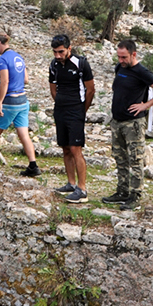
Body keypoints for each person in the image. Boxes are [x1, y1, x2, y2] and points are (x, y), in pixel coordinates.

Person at [101, 40, 153, 210]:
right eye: (119, 57)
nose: (121, 60)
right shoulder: (120, 68)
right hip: (117, 120)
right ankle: (121, 191)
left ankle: (135, 195)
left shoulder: (141, 71)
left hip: (133, 123)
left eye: (124, 57)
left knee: (135, 158)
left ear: (133, 54)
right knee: (119, 157)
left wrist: (145, 105)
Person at [49, 34, 95, 202]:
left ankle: (82, 189)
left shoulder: (81, 63)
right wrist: (60, 103)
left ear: (69, 48)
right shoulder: (54, 64)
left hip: (76, 110)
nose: (57, 55)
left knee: (76, 149)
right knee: (65, 147)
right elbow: (53, 88)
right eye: (55, 52)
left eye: (61, 52)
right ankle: (71, 183)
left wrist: (82, 109)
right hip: (60, 110)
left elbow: (90, 90)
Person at [0, 33, 41, 177]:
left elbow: (5, 82)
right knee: (23, 134)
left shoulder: (3, 59)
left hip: (10, 102)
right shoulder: (18, 57)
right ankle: (33, 165)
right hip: (23, 100)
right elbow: (26, 79)